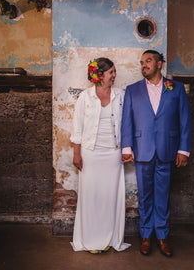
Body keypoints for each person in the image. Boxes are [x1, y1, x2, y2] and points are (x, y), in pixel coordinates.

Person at [121, 50, 191, 257]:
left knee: (163, 196)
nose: (144, 65)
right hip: (142, 151)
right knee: (145, 196)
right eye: (142, 62)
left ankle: (162, 236)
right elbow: (127, 121)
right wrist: (127, 148)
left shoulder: (175, 88)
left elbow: (185, 120)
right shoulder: (132, 90)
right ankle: (145, 236)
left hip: (168, 150)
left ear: (159, 64)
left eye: (148, 61)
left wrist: (183, 150)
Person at [70, 57, 131, 254]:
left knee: (109, 198)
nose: (114, 75)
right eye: (111, 72)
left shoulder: (121, 96)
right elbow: (77, 128)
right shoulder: (85, 97)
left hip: (113, 154)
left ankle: (108, 238)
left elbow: (129, 124)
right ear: (99, 75)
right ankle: (90, 239)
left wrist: (126, 149)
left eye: (114, 71)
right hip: (90, 154)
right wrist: (77, 154)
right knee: (91, 197)